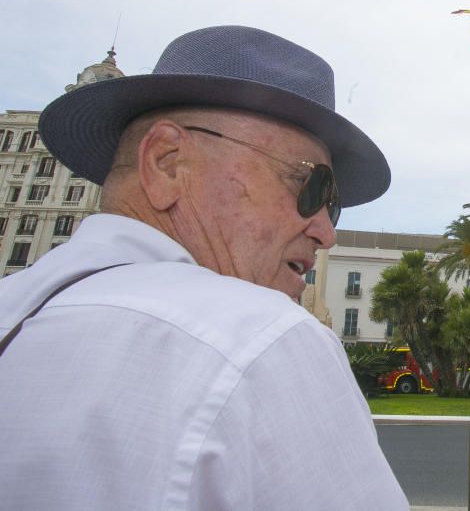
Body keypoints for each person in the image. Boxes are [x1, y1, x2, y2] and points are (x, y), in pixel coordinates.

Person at [0, 26, 409, 509]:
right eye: (309, 184)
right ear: (168, 162)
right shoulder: (263, 338)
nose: (326, 231)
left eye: (332, 205)